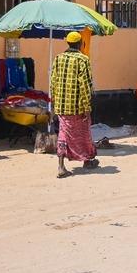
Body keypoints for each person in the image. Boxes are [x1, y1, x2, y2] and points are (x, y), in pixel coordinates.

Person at [51, 31, 98, 178]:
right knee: (83, 133)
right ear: (80, 44)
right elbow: (85, 85)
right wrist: (87, 107)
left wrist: (54, 102)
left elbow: (53, 82)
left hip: (61, 106)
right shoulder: (83, 60)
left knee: (64, 132)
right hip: (77, 107)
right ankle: (78, 162)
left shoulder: (58, 58)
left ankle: (70, 164)